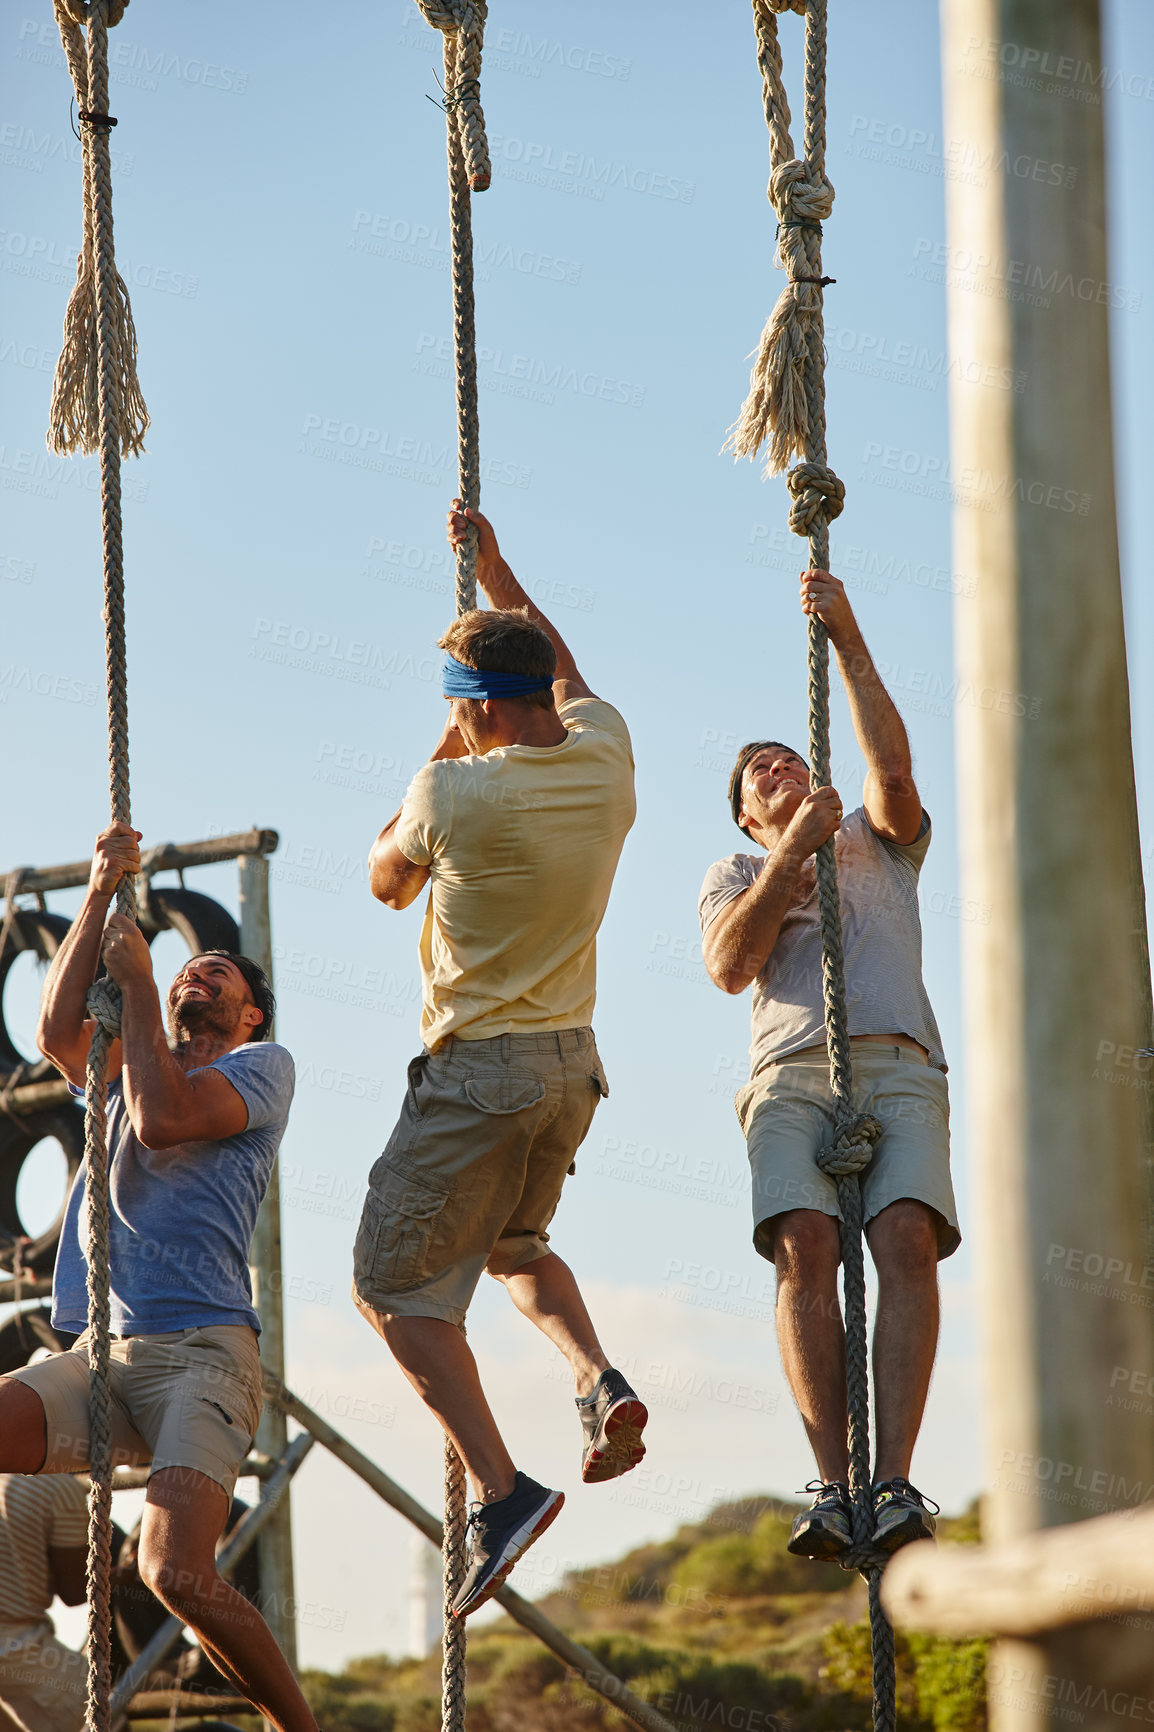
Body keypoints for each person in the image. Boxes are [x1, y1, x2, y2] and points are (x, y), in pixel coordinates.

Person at [355, 500, 645, 1619]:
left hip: (478, 1068)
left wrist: (441, 746)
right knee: (513, 1243)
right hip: (569, 1068)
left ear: (470, 714)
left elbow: (387, 880)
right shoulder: (607, 755)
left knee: (390, 1288)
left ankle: (502, 1488)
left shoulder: (449, 790)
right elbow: (561, 668)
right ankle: (594, 1375)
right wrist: (495, 570)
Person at [0, 825, 317, 1732]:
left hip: (203, 1355)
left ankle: (300, 1727)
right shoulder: (117, 1064)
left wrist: (140, 980)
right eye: (190, 968)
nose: (196, 973)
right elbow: (53, 1030)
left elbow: (165, 1117)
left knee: (173, 1573)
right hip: (105, 1349)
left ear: (253, 1014)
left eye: (220, 973)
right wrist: (101, 888)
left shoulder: (261, 1070)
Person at [698, 569, 960, 1561]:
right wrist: (785, 857)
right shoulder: (733, 873)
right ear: (743, 817)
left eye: (784, 758)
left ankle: (892, 1479)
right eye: (756, 773)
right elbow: (730, 966)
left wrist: (844, 632)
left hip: (898, 1065)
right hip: (789, 1075)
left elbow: (888, 760)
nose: (775, 769)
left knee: (903, 1238)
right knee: (803, 1241)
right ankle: (834, 1481)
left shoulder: (877, 841)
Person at [0, 1472, 87, 1732]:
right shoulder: (62, 1488)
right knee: (96, 1702)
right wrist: (126, 1576)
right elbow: (76, 1593)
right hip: (16, 1647)